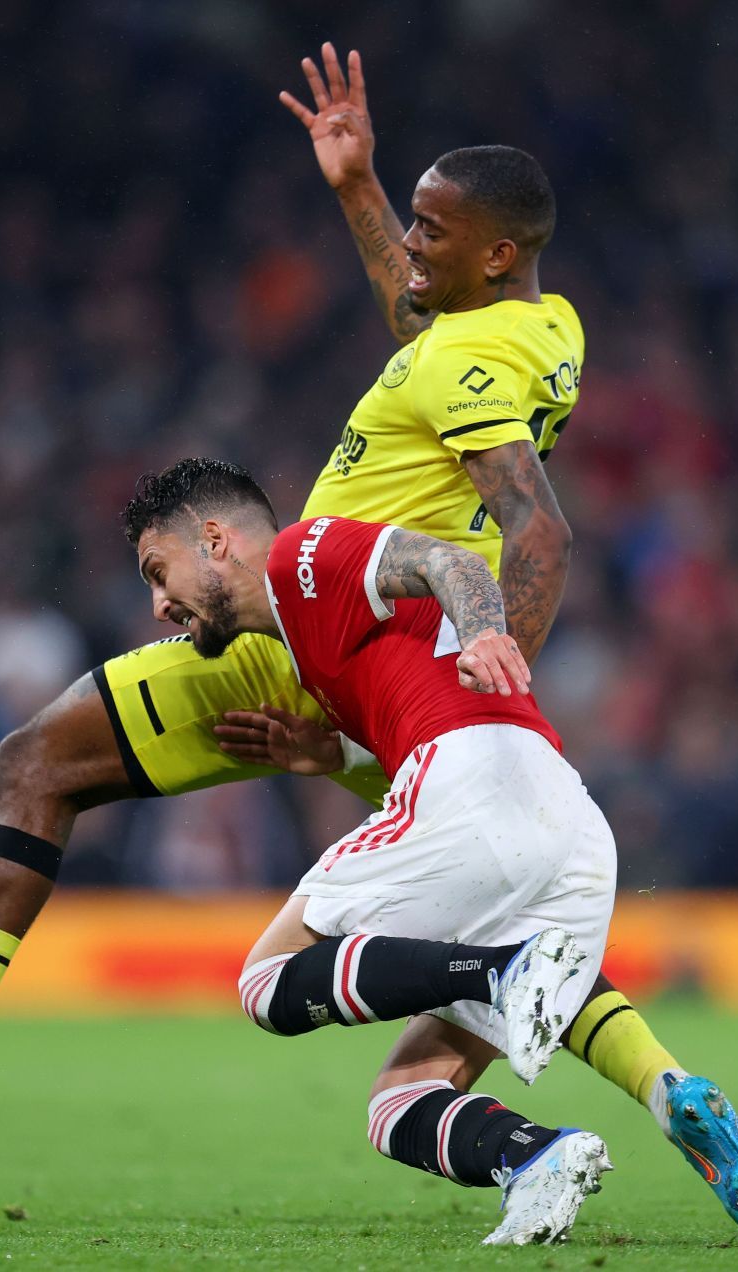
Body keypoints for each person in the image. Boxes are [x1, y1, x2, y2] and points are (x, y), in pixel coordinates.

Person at [0, 44, 738, 1239]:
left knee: (39, 768)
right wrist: (359, 189)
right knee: (494, 923)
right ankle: (664, 1084)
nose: (410, 250)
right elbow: (424, 323)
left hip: (353, 635)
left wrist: (489, 668)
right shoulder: (523, 329)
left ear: (496, 251)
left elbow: (538, 530)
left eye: (431, 228)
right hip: (371, 673)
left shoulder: (449, 381)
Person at [130, 458, 620, 1243]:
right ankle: (537, 1158)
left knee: (265, 983)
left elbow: (448, 560)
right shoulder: (316, 648)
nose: (158, 605)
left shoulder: (300, 556)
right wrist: (335, 758)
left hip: (474, 782)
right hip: (567, 826)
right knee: (400, 1103)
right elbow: (417, 692)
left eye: (159, 572)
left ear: (215, 539)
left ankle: (507, 970)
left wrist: (489, 627)